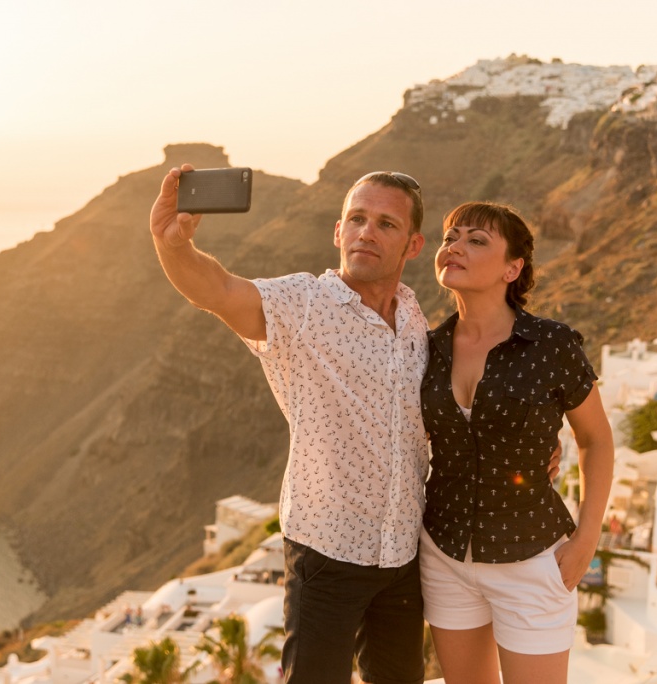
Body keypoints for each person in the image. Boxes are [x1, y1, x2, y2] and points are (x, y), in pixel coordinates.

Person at [150, 164, 429, 684]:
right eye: (357, 219)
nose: (367, 232)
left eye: (386, 224)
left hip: (402, 555)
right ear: (338, 231)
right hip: (326, 555)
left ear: (413, 245)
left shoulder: (415, 320)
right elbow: (218, 290)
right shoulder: (303, 305)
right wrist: (173, 246)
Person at [418, 201, 614, 684]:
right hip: (444, 554)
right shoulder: (427, 348)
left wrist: (587, 538)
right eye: (450, 237)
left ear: (513, 268)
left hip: (531, 558)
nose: (455, 247)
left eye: (476, 240)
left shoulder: (551, 345)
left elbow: (596, 439)